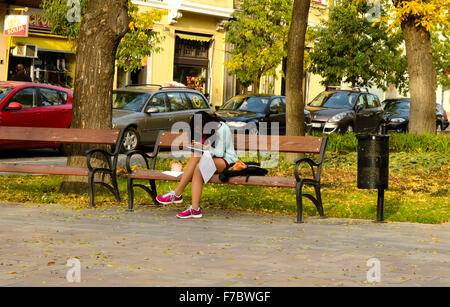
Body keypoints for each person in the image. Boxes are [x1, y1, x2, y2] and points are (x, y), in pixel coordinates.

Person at [156, 111, 238, 219]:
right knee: (198, 166)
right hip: (211, 160)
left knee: (197, 156)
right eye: (196, 128)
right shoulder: (203, 131)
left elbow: (220, 153)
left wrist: (205, 148)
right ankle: (194, 209)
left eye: (200, 128)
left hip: (227, 161)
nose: (199, 130)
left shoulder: (222, 128)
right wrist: (198, 146)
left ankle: (177, 193)